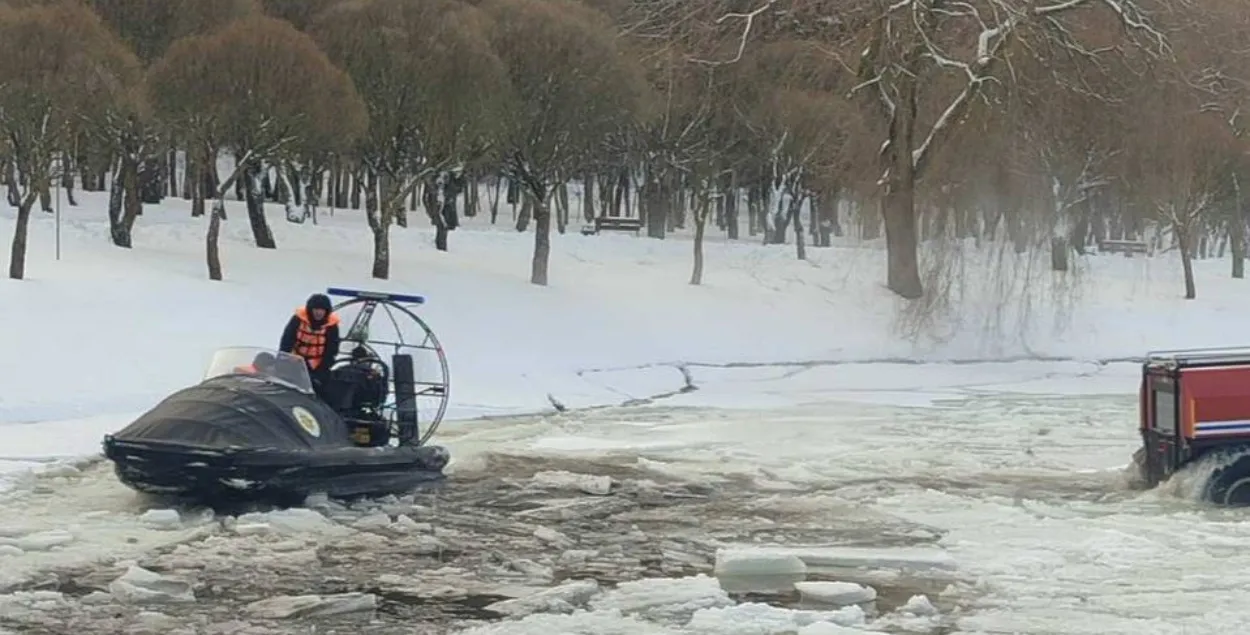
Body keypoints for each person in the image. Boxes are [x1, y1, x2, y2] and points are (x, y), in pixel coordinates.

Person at [279, 293, 341, 396]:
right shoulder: (298, 319)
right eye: (316, 309)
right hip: (295, 360)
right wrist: (282, 358)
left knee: (322, 387)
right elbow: (287, 340)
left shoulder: (331, 326)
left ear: (327, 311)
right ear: (310, 309)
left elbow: (331, 350)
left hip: (317, 365)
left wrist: (321, 370)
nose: (318, 313)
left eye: (322, 310)